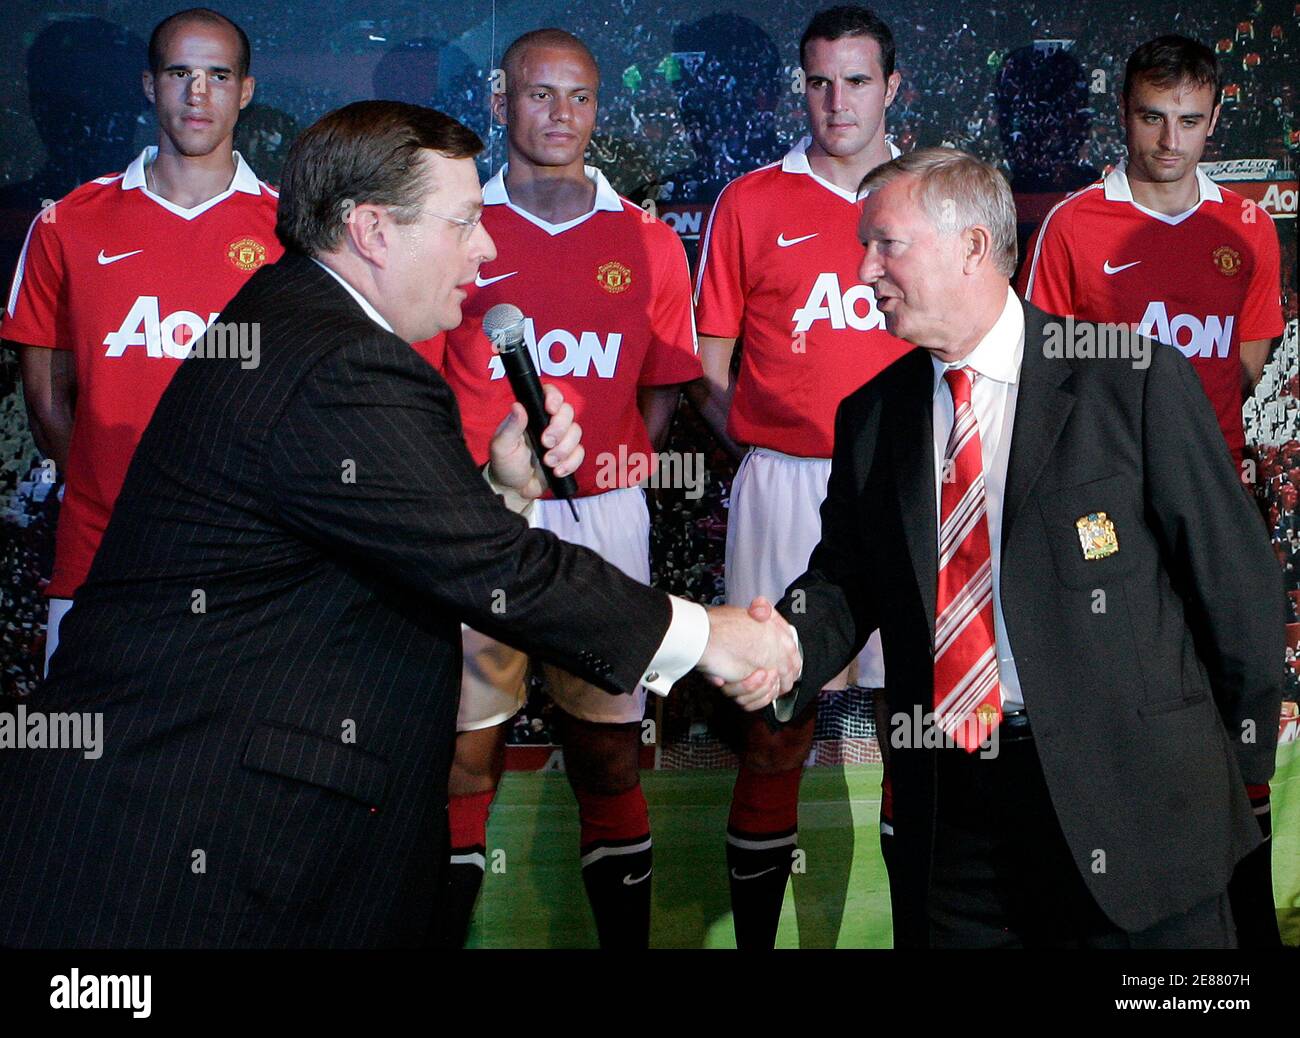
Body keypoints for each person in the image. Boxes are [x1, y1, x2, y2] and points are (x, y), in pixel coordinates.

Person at [0, 100, 798, 949]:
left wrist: (501, 482)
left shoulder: (301, 322)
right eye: (463, 224)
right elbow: (499, 571)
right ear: (373, 230)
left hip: (216, 837)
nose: (486, 250)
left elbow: (398, 544)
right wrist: (708, 636)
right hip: (176, 853)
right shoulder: (340, 358)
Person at [768, 146, 1283, 948]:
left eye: (886, 244)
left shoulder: (1133, 381)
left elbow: (1236, 587)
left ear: (974, 247)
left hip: (1139, 808)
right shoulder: (872, 416)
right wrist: (775, 644)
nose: (864, 270)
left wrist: (1243, 776)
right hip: (953, 825)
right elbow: (843, 580)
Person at [430, 28, 702, 950]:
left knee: (610, 753)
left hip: (604, 520)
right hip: (474, 517)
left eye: (578, 97)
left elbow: (663, 389)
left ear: (597, 108)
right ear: (501, 102)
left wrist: (610, 474)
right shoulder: (454, 226)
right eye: (539, 95)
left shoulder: (649, 240)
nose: (559, 115)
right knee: (465, 757)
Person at [1018, 33, 1285, 947]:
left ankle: (1238, 923)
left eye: (1189, 120)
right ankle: (1129, 915)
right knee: (1133, 714)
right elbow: (1038, 369)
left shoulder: (1246, 228)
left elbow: (1248, 362)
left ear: (1214, 120)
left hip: (1207, 501)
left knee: (1234, 702)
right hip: (1106, 512)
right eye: (1150, 117)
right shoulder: (1072, 227)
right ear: (1123, 113)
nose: (1169, 140)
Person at [692, 5, 911, 949]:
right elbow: (710, 363)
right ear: (802, 87)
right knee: (776, 718)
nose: (837, 102)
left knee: (919, 721)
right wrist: (770, 447)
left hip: (912, 487)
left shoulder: (931, 198)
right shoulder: (749, 202)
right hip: (784, 486)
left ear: (891, 88)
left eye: (857, 81)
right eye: (820, 81)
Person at [1, 8, 281, 674]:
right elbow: (45, 402)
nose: (197, 93)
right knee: (82, 766)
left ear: (244, 91)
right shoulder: (67, 223)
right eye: (179, 72)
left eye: (218, 75)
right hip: (97, 557)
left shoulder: (289, 232)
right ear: (148, 85)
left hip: (247, 568)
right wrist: (108, 496)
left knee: (224, 769)